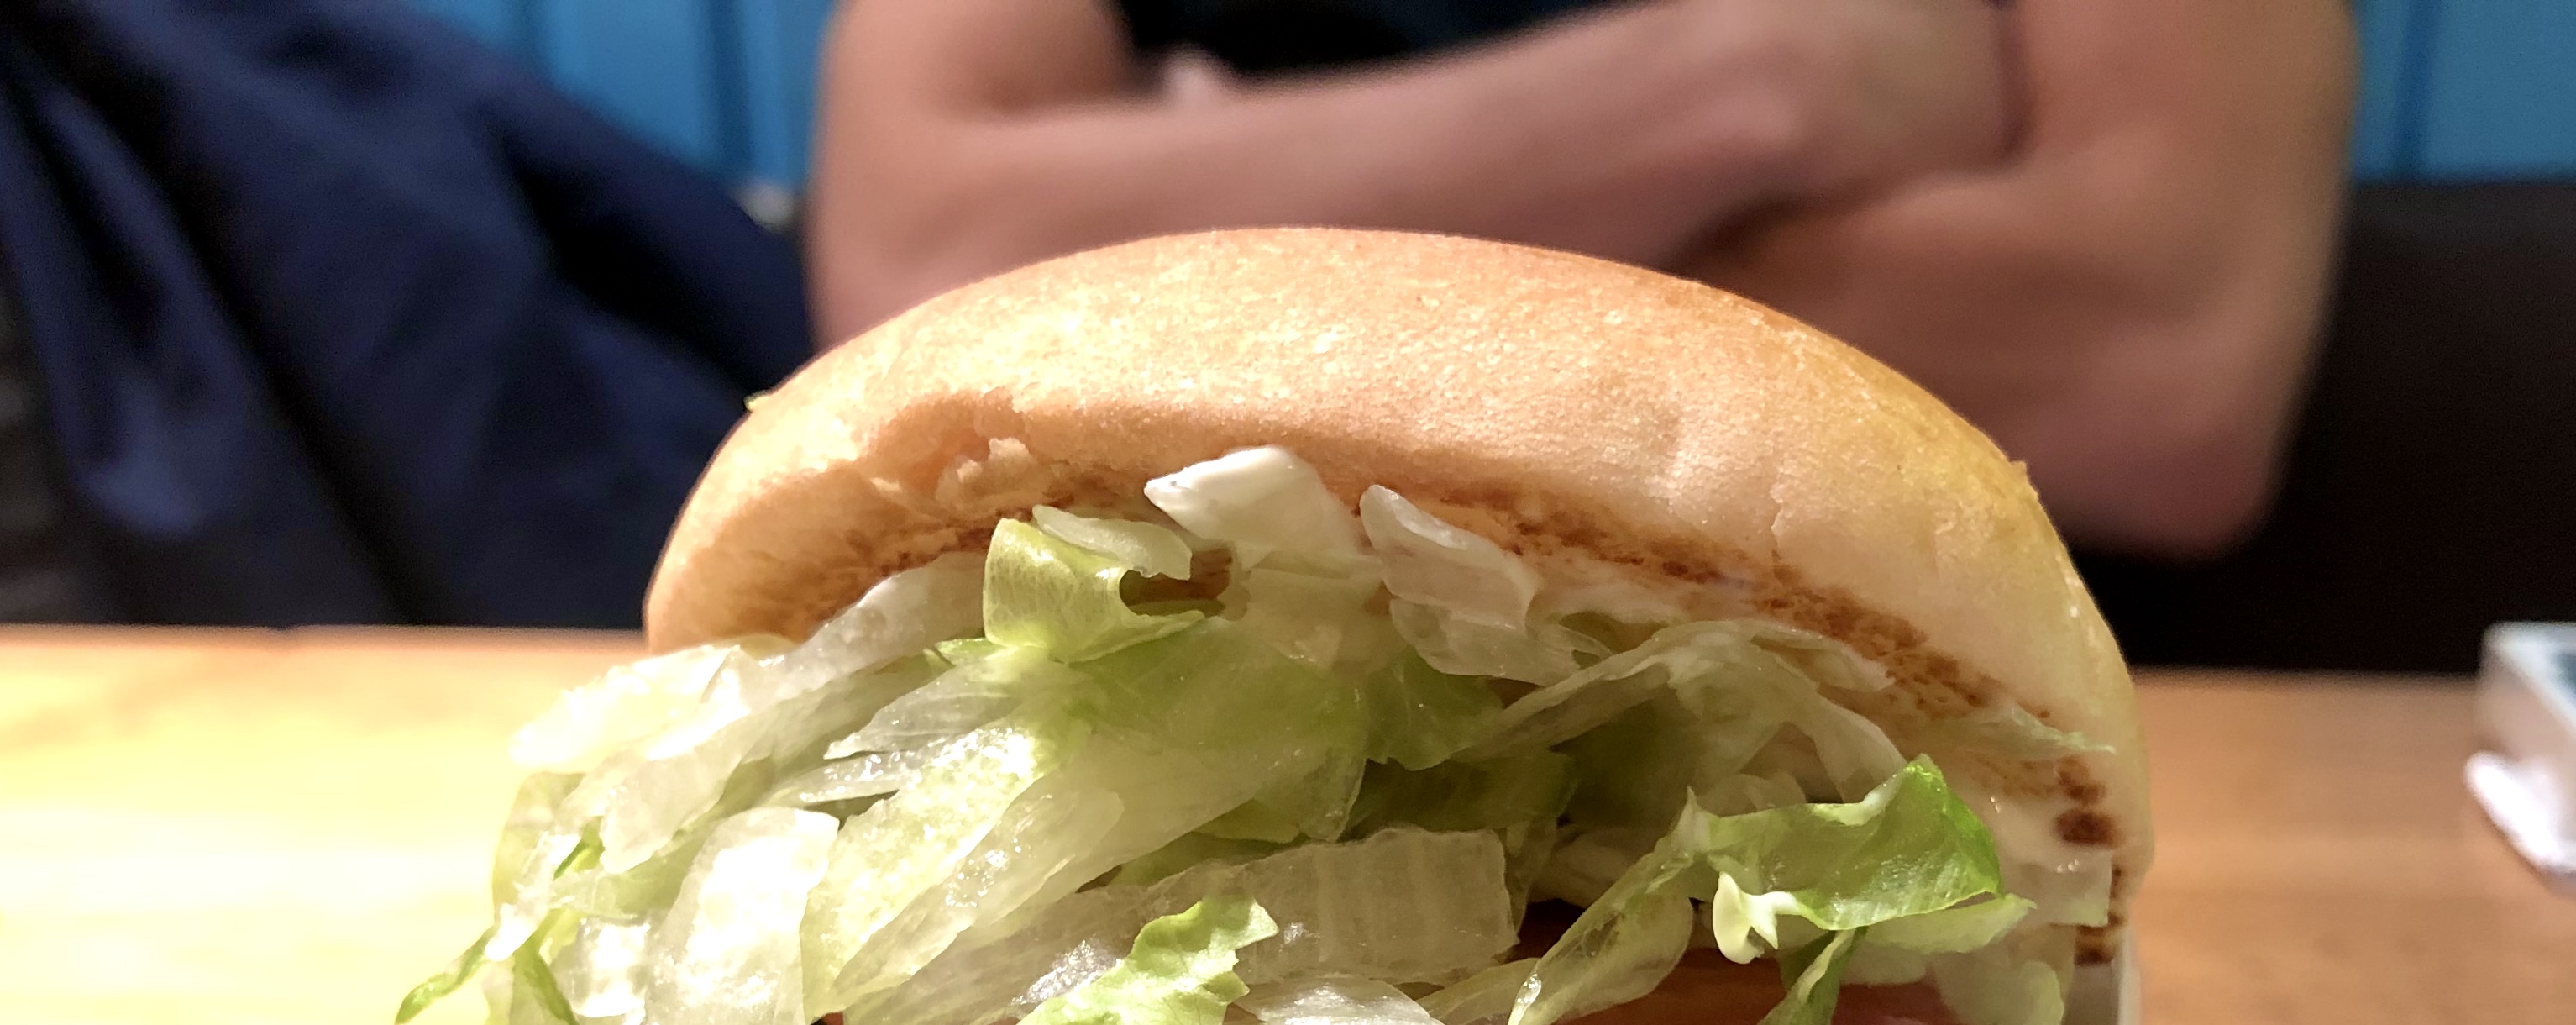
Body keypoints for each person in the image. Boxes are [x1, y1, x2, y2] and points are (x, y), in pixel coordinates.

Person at [805, 0, 2355, 557]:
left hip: (1941, 770)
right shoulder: (1764, 65)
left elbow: (2160, 377)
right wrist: (1750, 82)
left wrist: (1224, 194)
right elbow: (917, 305)